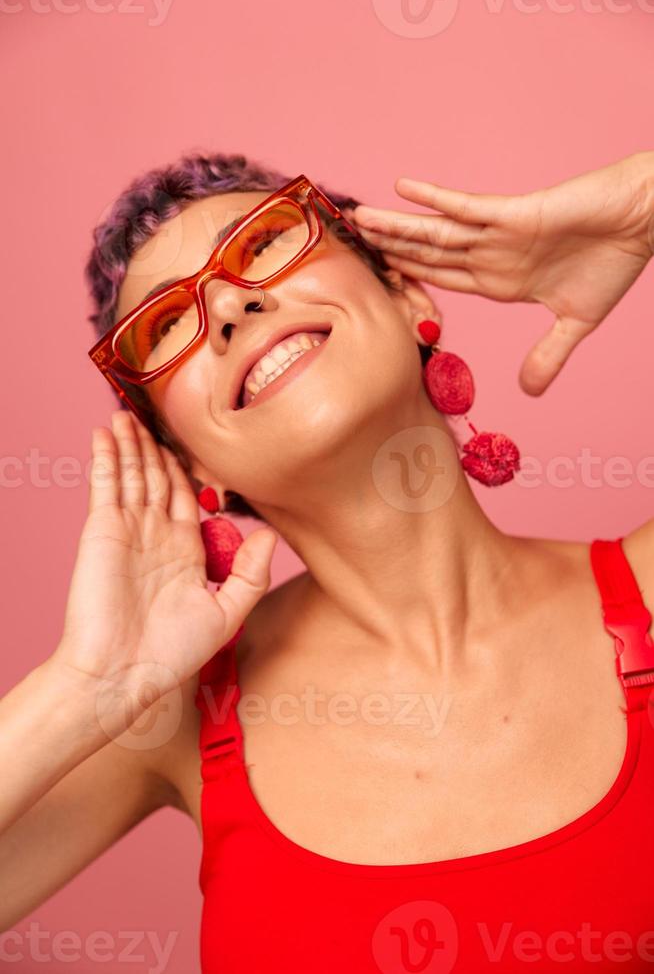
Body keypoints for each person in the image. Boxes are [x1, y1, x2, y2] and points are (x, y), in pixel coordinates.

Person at [1, 149, 653, 972]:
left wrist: (642, 202)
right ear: (188, 457)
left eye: (265, 243)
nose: (231, 305)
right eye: (168, 327)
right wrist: (83, 687)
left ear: (408, 293)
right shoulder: (170, 719)